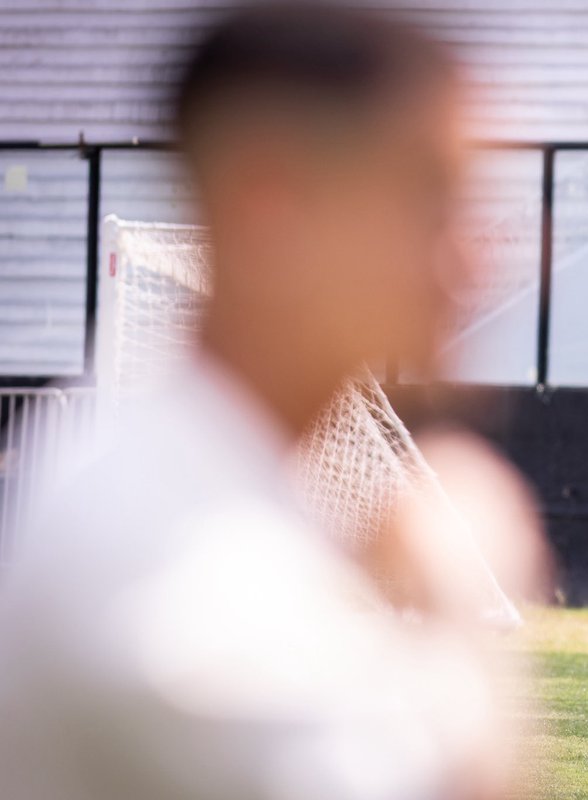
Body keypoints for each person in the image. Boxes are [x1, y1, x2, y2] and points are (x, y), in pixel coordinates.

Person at [0, 4, 539, 798]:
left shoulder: (208, 474)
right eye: (432, 200)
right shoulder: (160, 588)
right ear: (269, 209)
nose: (477, 260)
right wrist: (460, 610)